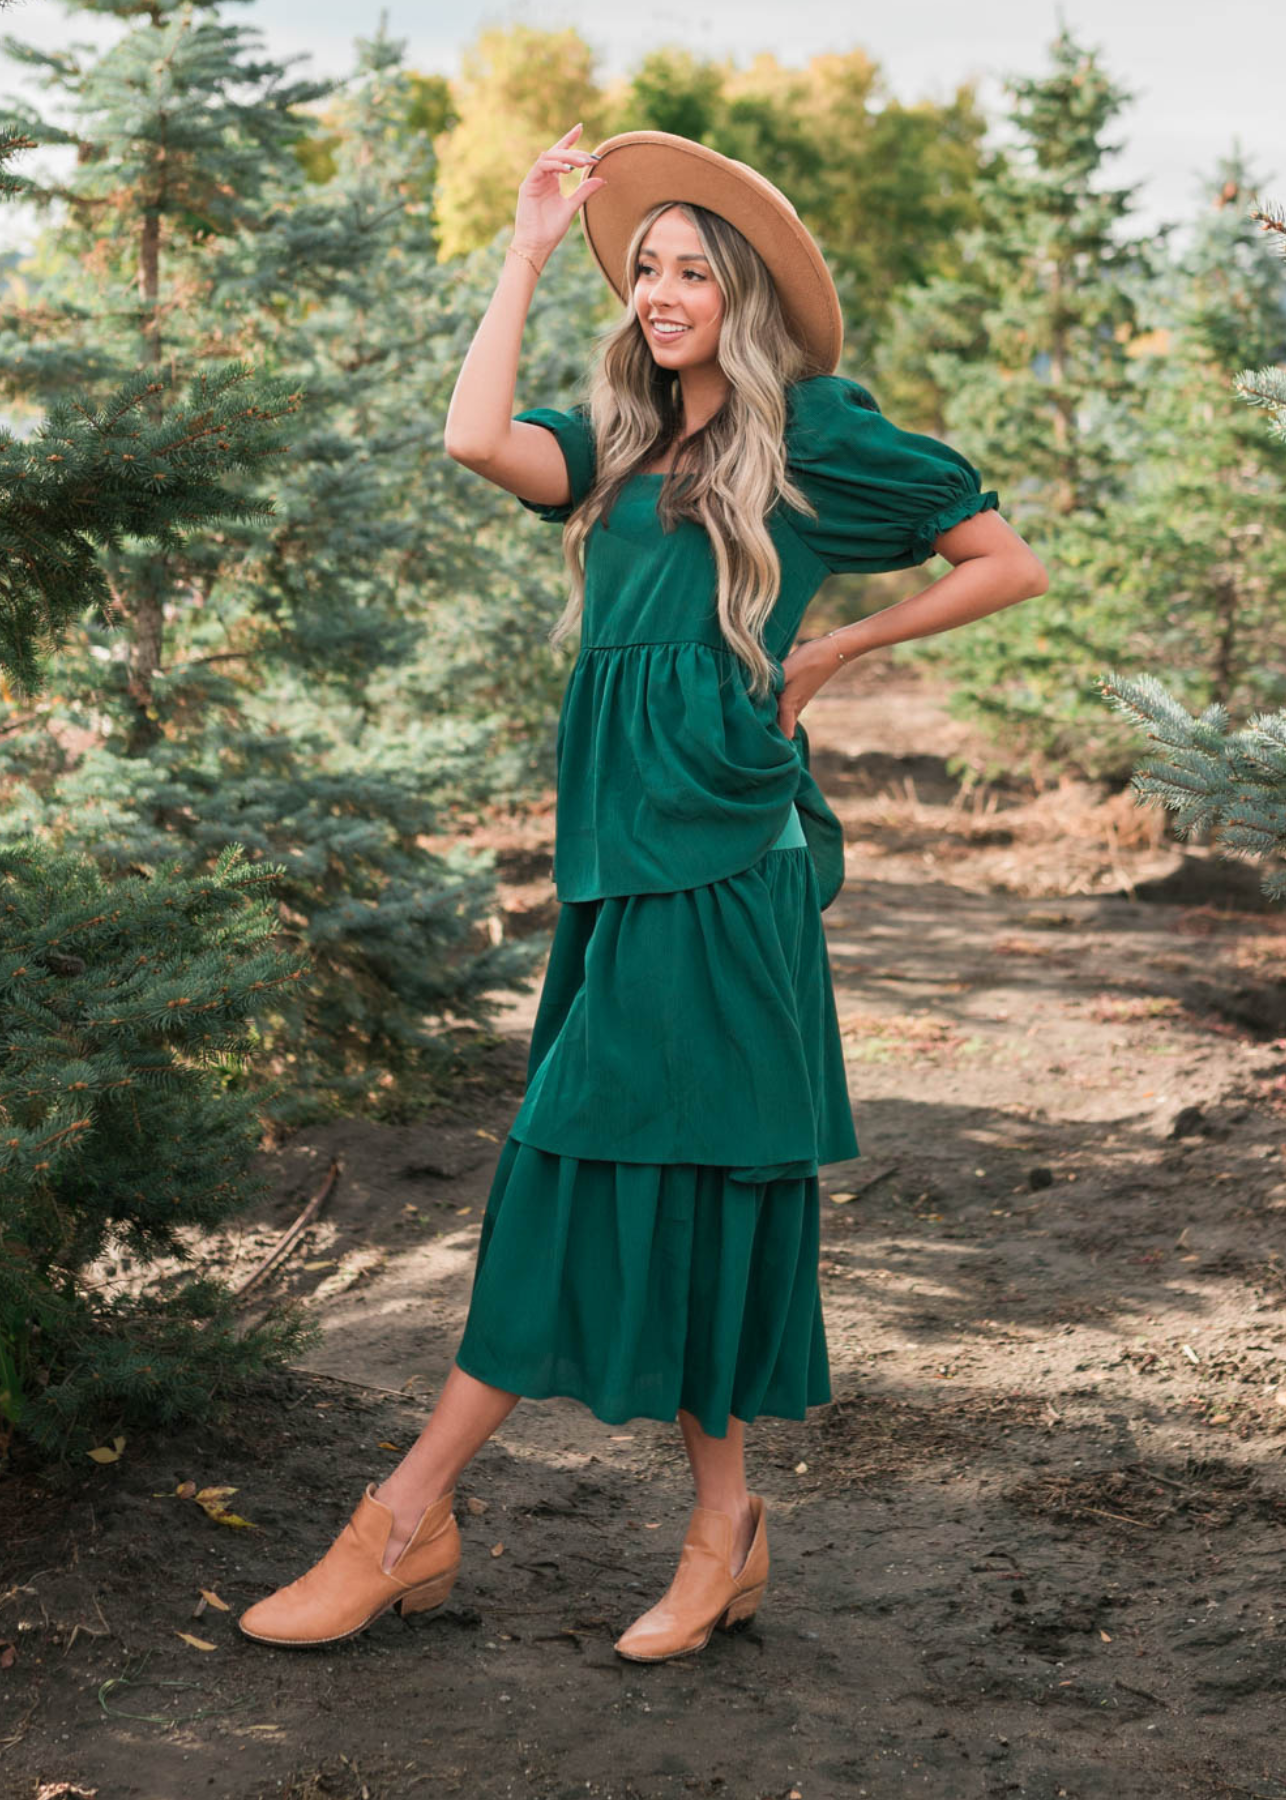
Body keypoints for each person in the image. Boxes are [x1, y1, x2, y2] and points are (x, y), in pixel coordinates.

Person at [239, 125, 1049, 1662]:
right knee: (674, 1175)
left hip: (730, 858)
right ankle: (721, 1527)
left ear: (738, 294)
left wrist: (824, 653)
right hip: (622, 868)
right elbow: (473, 440)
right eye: (648, 270)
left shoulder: (810, 435)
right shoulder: (612, 438)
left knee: (572, 1157)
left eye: (692, 272)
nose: (665, 292)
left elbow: (1002, 562)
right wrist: (527, 248)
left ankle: (403, 1517)